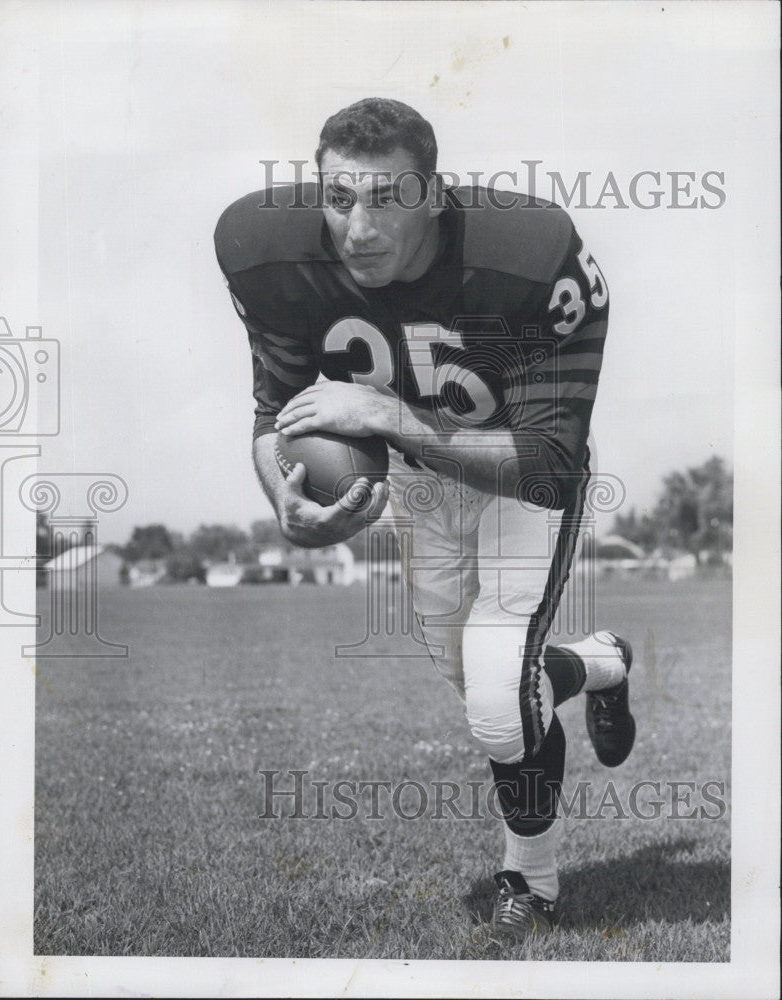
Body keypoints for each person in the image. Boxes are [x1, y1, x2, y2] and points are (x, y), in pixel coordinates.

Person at [215, 98, 636, 943]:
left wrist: (386, 415)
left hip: (520, 473)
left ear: (435, 195)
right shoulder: (264, 250)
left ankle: (532, 876)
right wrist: (286, 499)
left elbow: (552, 462)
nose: (359, 228)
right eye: (339, 200)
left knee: (493, 696)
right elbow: (276, 414)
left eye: (388, 199)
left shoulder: (529, 253)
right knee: (483, 681)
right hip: (423, 484)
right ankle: (601, 664)